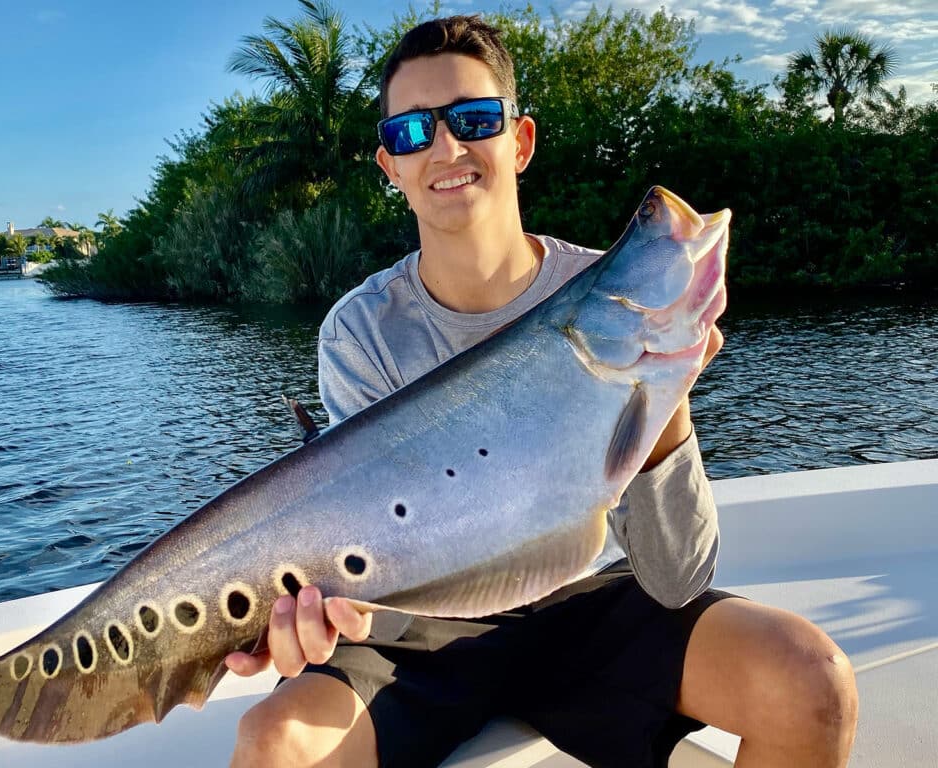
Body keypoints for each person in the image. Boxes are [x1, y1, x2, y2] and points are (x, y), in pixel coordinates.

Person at [226, 15, 858, 768]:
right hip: (421, 624)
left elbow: (678, 575)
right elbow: (374, 557)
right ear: (389, 165)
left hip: (584, 600)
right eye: (411, 132)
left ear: (519, 140)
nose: (446, 147)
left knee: (809, 679)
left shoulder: (615, 295)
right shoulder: (360, 331)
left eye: (473, 118)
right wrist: (307, 606)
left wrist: (661, 395)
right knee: (276, 745)